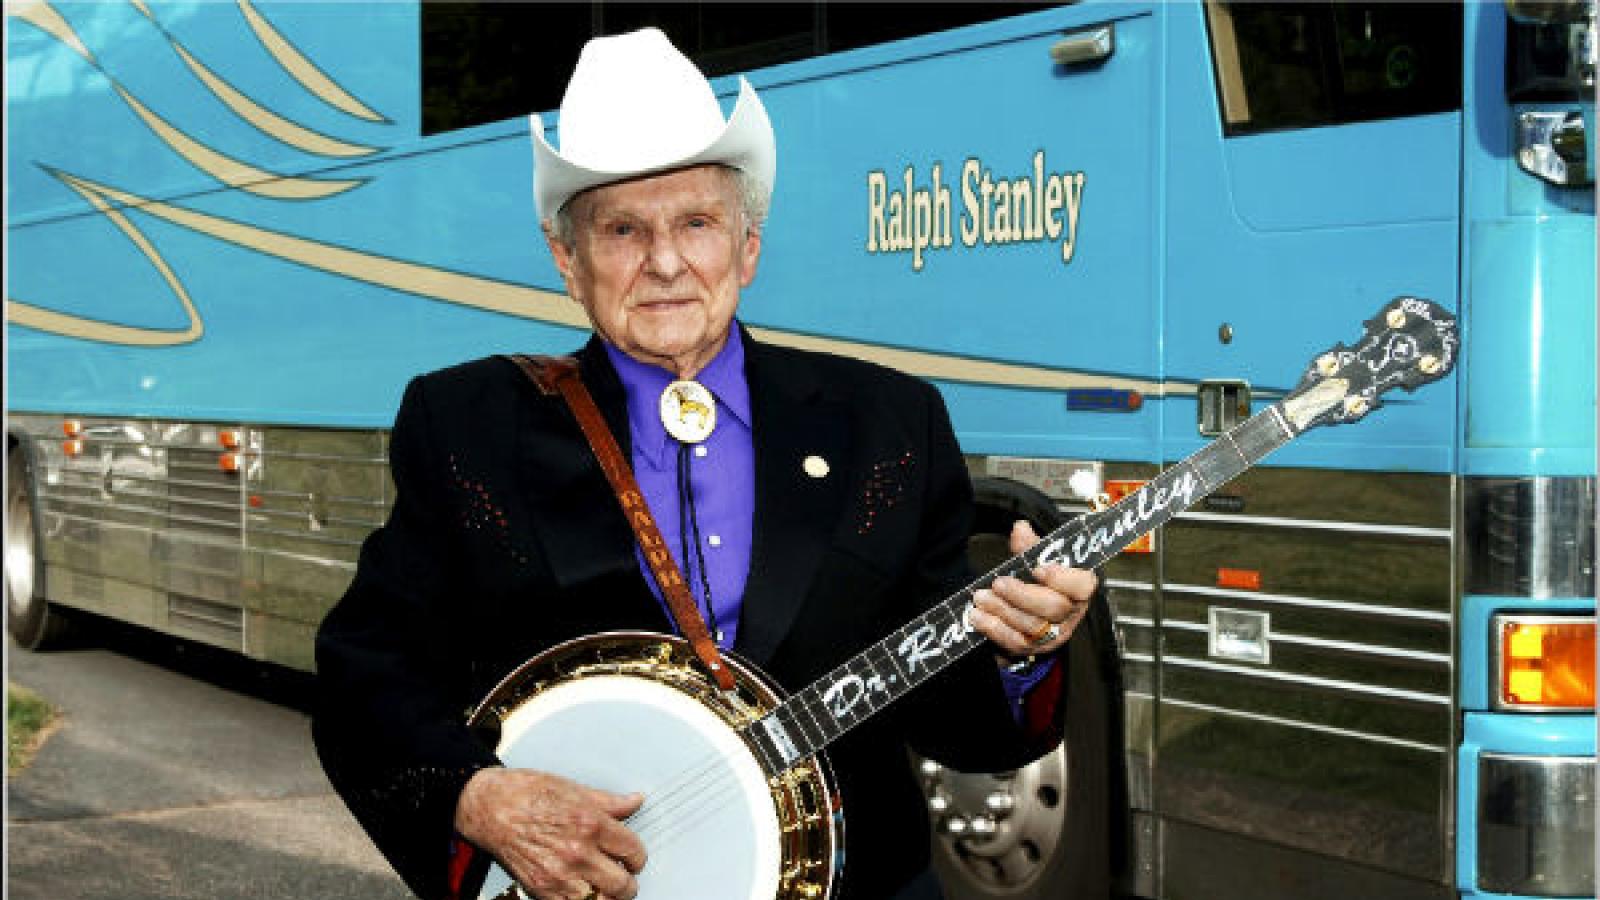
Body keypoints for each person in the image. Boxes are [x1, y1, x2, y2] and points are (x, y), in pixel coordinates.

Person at [312, 27, 1099, 900]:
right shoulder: (470, 428)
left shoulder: (887, 423)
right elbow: (364, 679)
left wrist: (1022, 649)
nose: (664, 262)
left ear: (748, 247)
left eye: (697, 222)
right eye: (621, 229)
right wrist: (480, 798)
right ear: (567, 262)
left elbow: (958, 724)